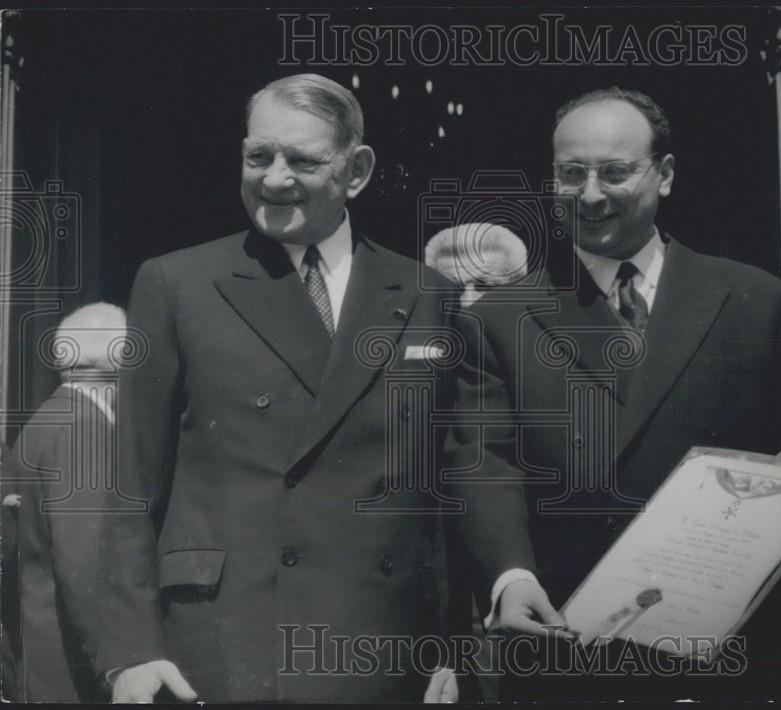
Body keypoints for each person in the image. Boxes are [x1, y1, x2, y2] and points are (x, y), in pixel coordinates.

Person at [96, 74, 555, 703]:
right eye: (258, 156)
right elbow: (130, 483)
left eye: (303, 160)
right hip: (226, 648)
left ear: (357, 170)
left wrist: (486, 603)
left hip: (390, 652)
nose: (274, 178)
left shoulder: (427, 295)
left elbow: (458, 471)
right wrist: (130, 652)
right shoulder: (177, 284)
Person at [446, 87, 781, 701]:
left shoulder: (755, 300)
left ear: (664, 175)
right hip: (569, 643)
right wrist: (510, 575)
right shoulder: (500, 319)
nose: (589, 194)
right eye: (570, 173)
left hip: (726, 650)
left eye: (614, 172)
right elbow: (483, 461)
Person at [4, 303, 126, 702]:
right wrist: (120, 666)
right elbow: (85, 563)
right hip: (74, 675)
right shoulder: (83, 427)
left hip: (43, 665)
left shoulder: (50, 419)